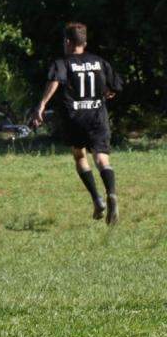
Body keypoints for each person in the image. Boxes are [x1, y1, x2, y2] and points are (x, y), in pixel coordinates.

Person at [34, 23, 123, 225]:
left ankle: (97, 199)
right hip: (98, 117)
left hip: (76, 118)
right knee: (102, 159)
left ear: (67, 42)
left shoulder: (63, 63)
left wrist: (42, 104)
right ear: (84, 42)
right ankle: (111, 193)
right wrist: (108, 91)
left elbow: (55, 80)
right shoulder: (99, 61)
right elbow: (115, 85)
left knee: (79, 155)